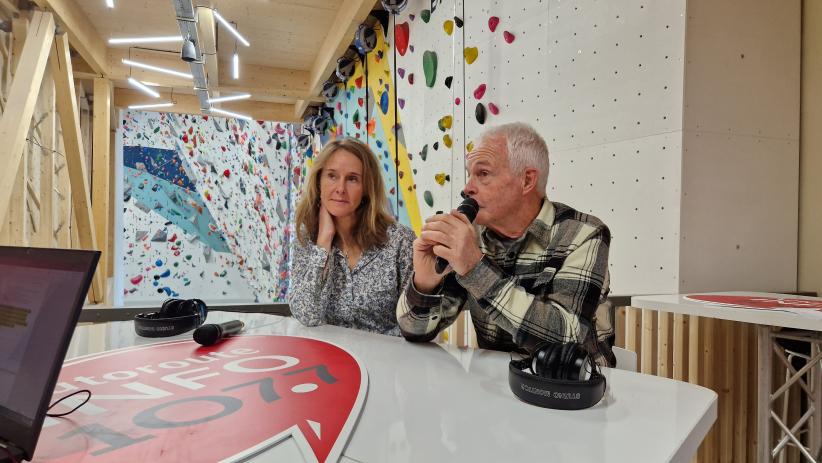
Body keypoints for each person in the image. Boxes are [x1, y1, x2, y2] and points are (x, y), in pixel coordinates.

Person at [397, 123, 615, 366]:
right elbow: (412, 331)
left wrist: (475, 269)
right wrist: (425, 284)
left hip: (576, 390)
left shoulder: (583, 234)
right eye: (470, 174)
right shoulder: (473, 238)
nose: (466, 188)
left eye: (483, 174)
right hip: (497, 386)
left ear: (527, 180)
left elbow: (566, 342)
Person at [290, 138, 415, 336]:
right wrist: (323, 243)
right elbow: (306, 315)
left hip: (390, 360)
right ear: (319, 181)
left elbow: (412, 325)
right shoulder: (307, 238)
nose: (340, 188)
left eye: (352, 179)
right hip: (330, 359)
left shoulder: (400, 241)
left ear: (366, 188)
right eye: (332, 176)